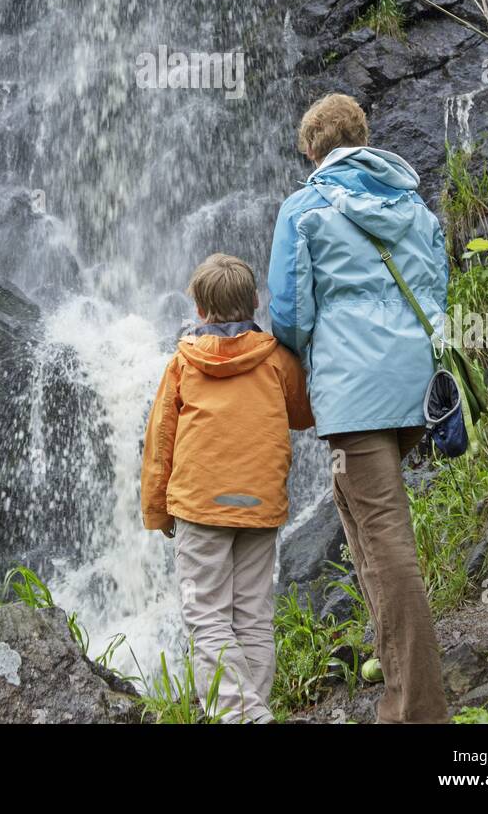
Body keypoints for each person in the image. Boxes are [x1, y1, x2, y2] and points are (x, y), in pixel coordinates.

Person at [267, 92, 449, 724]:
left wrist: (308, 358)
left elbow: (289, 310)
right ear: (363, 138)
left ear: (313, 149)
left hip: (355, 395)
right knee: (364, 529)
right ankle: (396, 678)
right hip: (414, 391)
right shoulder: (413, 204)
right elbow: (437, 290)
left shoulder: (306, 206)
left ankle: (419, 710)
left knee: (386, 543)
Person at [141, 251, 313, 723]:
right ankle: (254, 711)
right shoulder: (276, 359)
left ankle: (241, 717)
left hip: (200, 507)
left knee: (207, 616)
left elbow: (160, 440)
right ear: (256, 301)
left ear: (199, 310)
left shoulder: (183, 362)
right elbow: (303, 414)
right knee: (253, 615)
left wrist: (158, 510)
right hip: (260, 506)